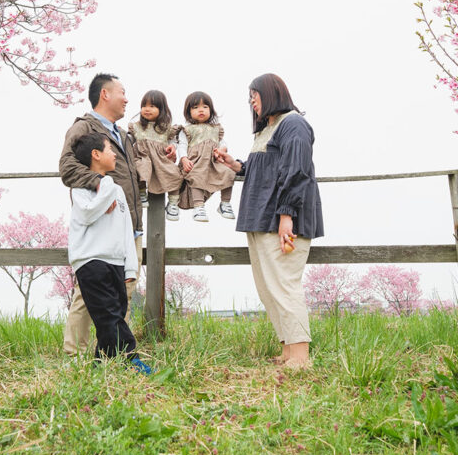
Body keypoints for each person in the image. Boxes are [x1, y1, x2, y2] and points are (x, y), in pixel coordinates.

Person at [213, 73, 323, 369]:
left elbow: (296, 170)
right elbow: (260, 169)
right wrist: (233, 164)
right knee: (269, 287)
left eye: (255, 95)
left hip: (281, 218)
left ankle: (300, 356)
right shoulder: (268, 129)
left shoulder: (294, 124)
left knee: (284, 285)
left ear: (271, 93)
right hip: (261, 218)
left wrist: (287, 215)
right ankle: (288, 350)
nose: (252, 102)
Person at [59, 73, 143, 356]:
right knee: (88, 296)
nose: (127, 99)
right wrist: (99, 184)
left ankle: (110, 354)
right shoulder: (84, 127)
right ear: (105, 94)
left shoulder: (123, 134)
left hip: (127, 223)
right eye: (122, 91)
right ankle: (75, 355)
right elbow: (67, 167)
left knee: (123, 294)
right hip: (99, 229)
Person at [67, 133, 152, 373]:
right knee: (108, 314)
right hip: (91, 261)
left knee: (116, 311)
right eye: (109, 150)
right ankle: (128, 356)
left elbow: (127, 230)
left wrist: (130, 266)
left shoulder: (116, 190)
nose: (115, 154)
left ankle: (100, 365)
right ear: (96, 155)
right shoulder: (81, 189)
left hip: (116, 261)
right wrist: (106, 186)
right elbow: (86, 214)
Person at [176, 91, 236, 222]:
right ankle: (199, 206)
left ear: (211, 110)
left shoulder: (216, 128)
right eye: (195, 107)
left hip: (214, 162)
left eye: (205, 107)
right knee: (196, 175)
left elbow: (223, 143)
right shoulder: (187, 129)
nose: (201, 110)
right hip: (196, 161)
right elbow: (181, 145)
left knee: (229, 172)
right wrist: (184, 158)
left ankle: (225, 203)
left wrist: (222, 149)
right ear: (189, 111)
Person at [128, 90, 183, 212]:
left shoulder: (165, 128)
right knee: (140, 168)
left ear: (161, 109)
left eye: (152, 106)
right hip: (143, 156)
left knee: (175, 173)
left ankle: (173, 203)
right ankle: (141, 193)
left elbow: (174, 140)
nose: (147, 109)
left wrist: (173, 147)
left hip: (161, 159)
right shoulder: (137, 127)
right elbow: (129, 139)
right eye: (144, 106)